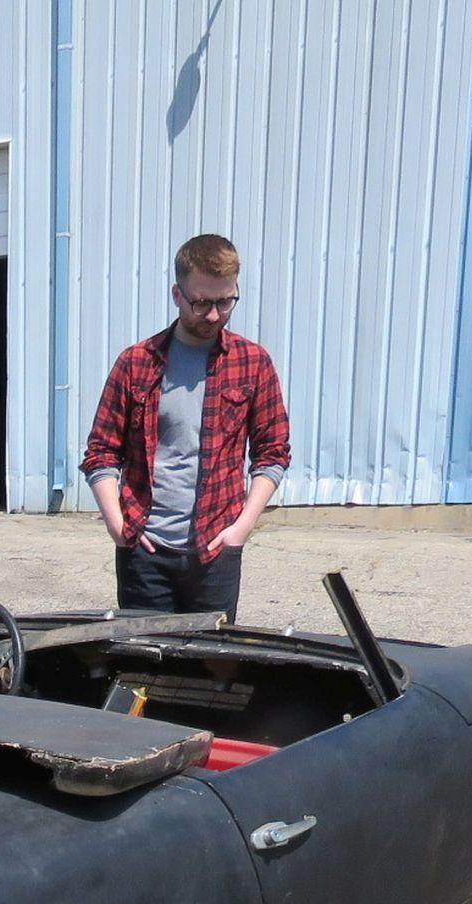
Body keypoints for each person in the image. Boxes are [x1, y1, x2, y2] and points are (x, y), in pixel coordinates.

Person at [81, 233, 290, 624]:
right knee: (143, 668)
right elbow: (101, 453)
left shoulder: (253, 363)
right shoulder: (136, 363)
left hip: (217, 553)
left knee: (211, 672)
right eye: (201, 302)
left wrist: (241, 528)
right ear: (177, 294)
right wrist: (117, 524)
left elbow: (273, 453)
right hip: (146, 552)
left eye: (225, 302)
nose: (213, 315)